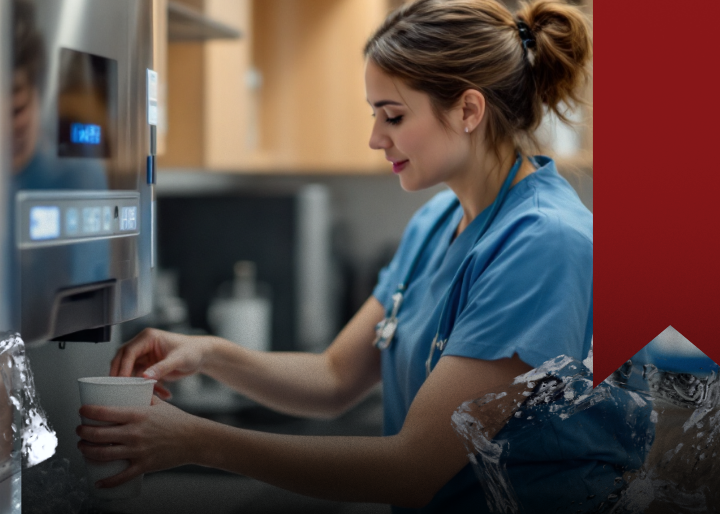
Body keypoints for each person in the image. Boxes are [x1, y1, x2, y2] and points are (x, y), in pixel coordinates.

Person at [77, 0, 646, 511]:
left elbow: (410, 469)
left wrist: (198, 440)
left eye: (393, 115)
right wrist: (206, 352)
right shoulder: (438, 221)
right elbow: (333, 379)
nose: (376, 137)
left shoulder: (544, 243)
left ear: (469, 110)